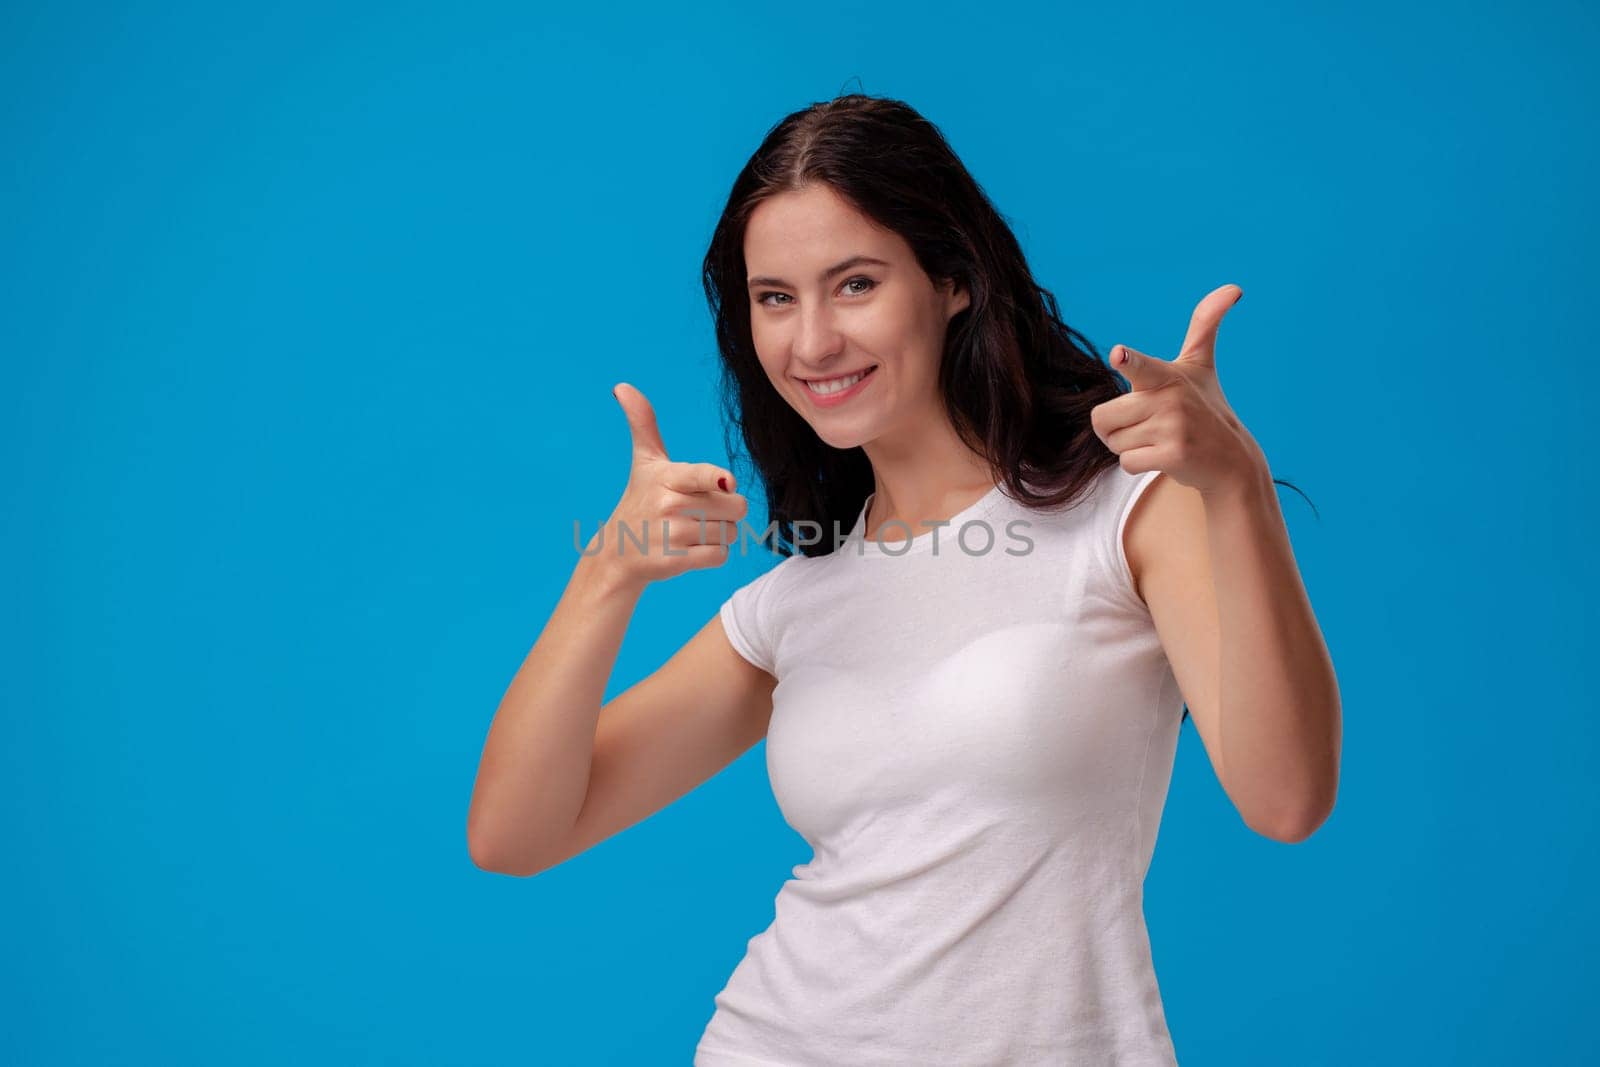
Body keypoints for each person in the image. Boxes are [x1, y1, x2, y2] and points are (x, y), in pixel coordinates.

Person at [467, 93, 1341, 1066]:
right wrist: (606, 576)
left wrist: (1237, 485)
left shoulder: (1127, 512)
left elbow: (1285, 797)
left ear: (952, 279)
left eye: (853, 283)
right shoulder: (796, 599)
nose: (811, 343)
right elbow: (514, 832)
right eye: (774, 297)